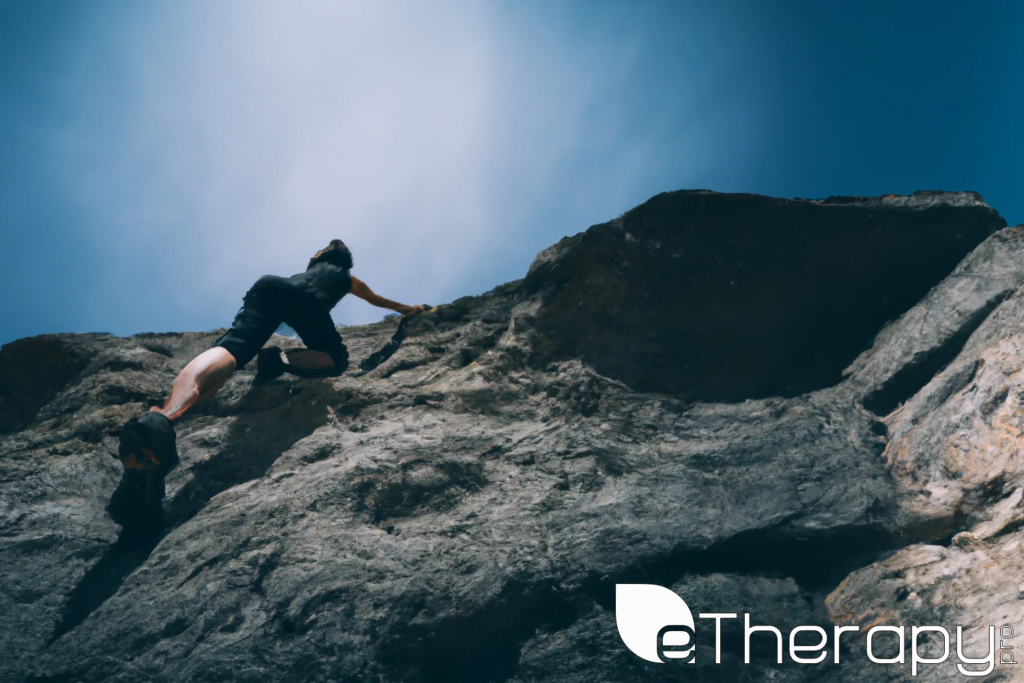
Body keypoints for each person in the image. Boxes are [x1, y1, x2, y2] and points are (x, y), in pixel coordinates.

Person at [108, 239, 428, 529]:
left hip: (269, 287)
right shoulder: (345, 277)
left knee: (233, 349)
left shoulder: (314, 270)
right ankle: (279, 362)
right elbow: (376, 300)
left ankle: (162, 416)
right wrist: (408, 310)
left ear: (319, 257)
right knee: (337, 359)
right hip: (306, 303)